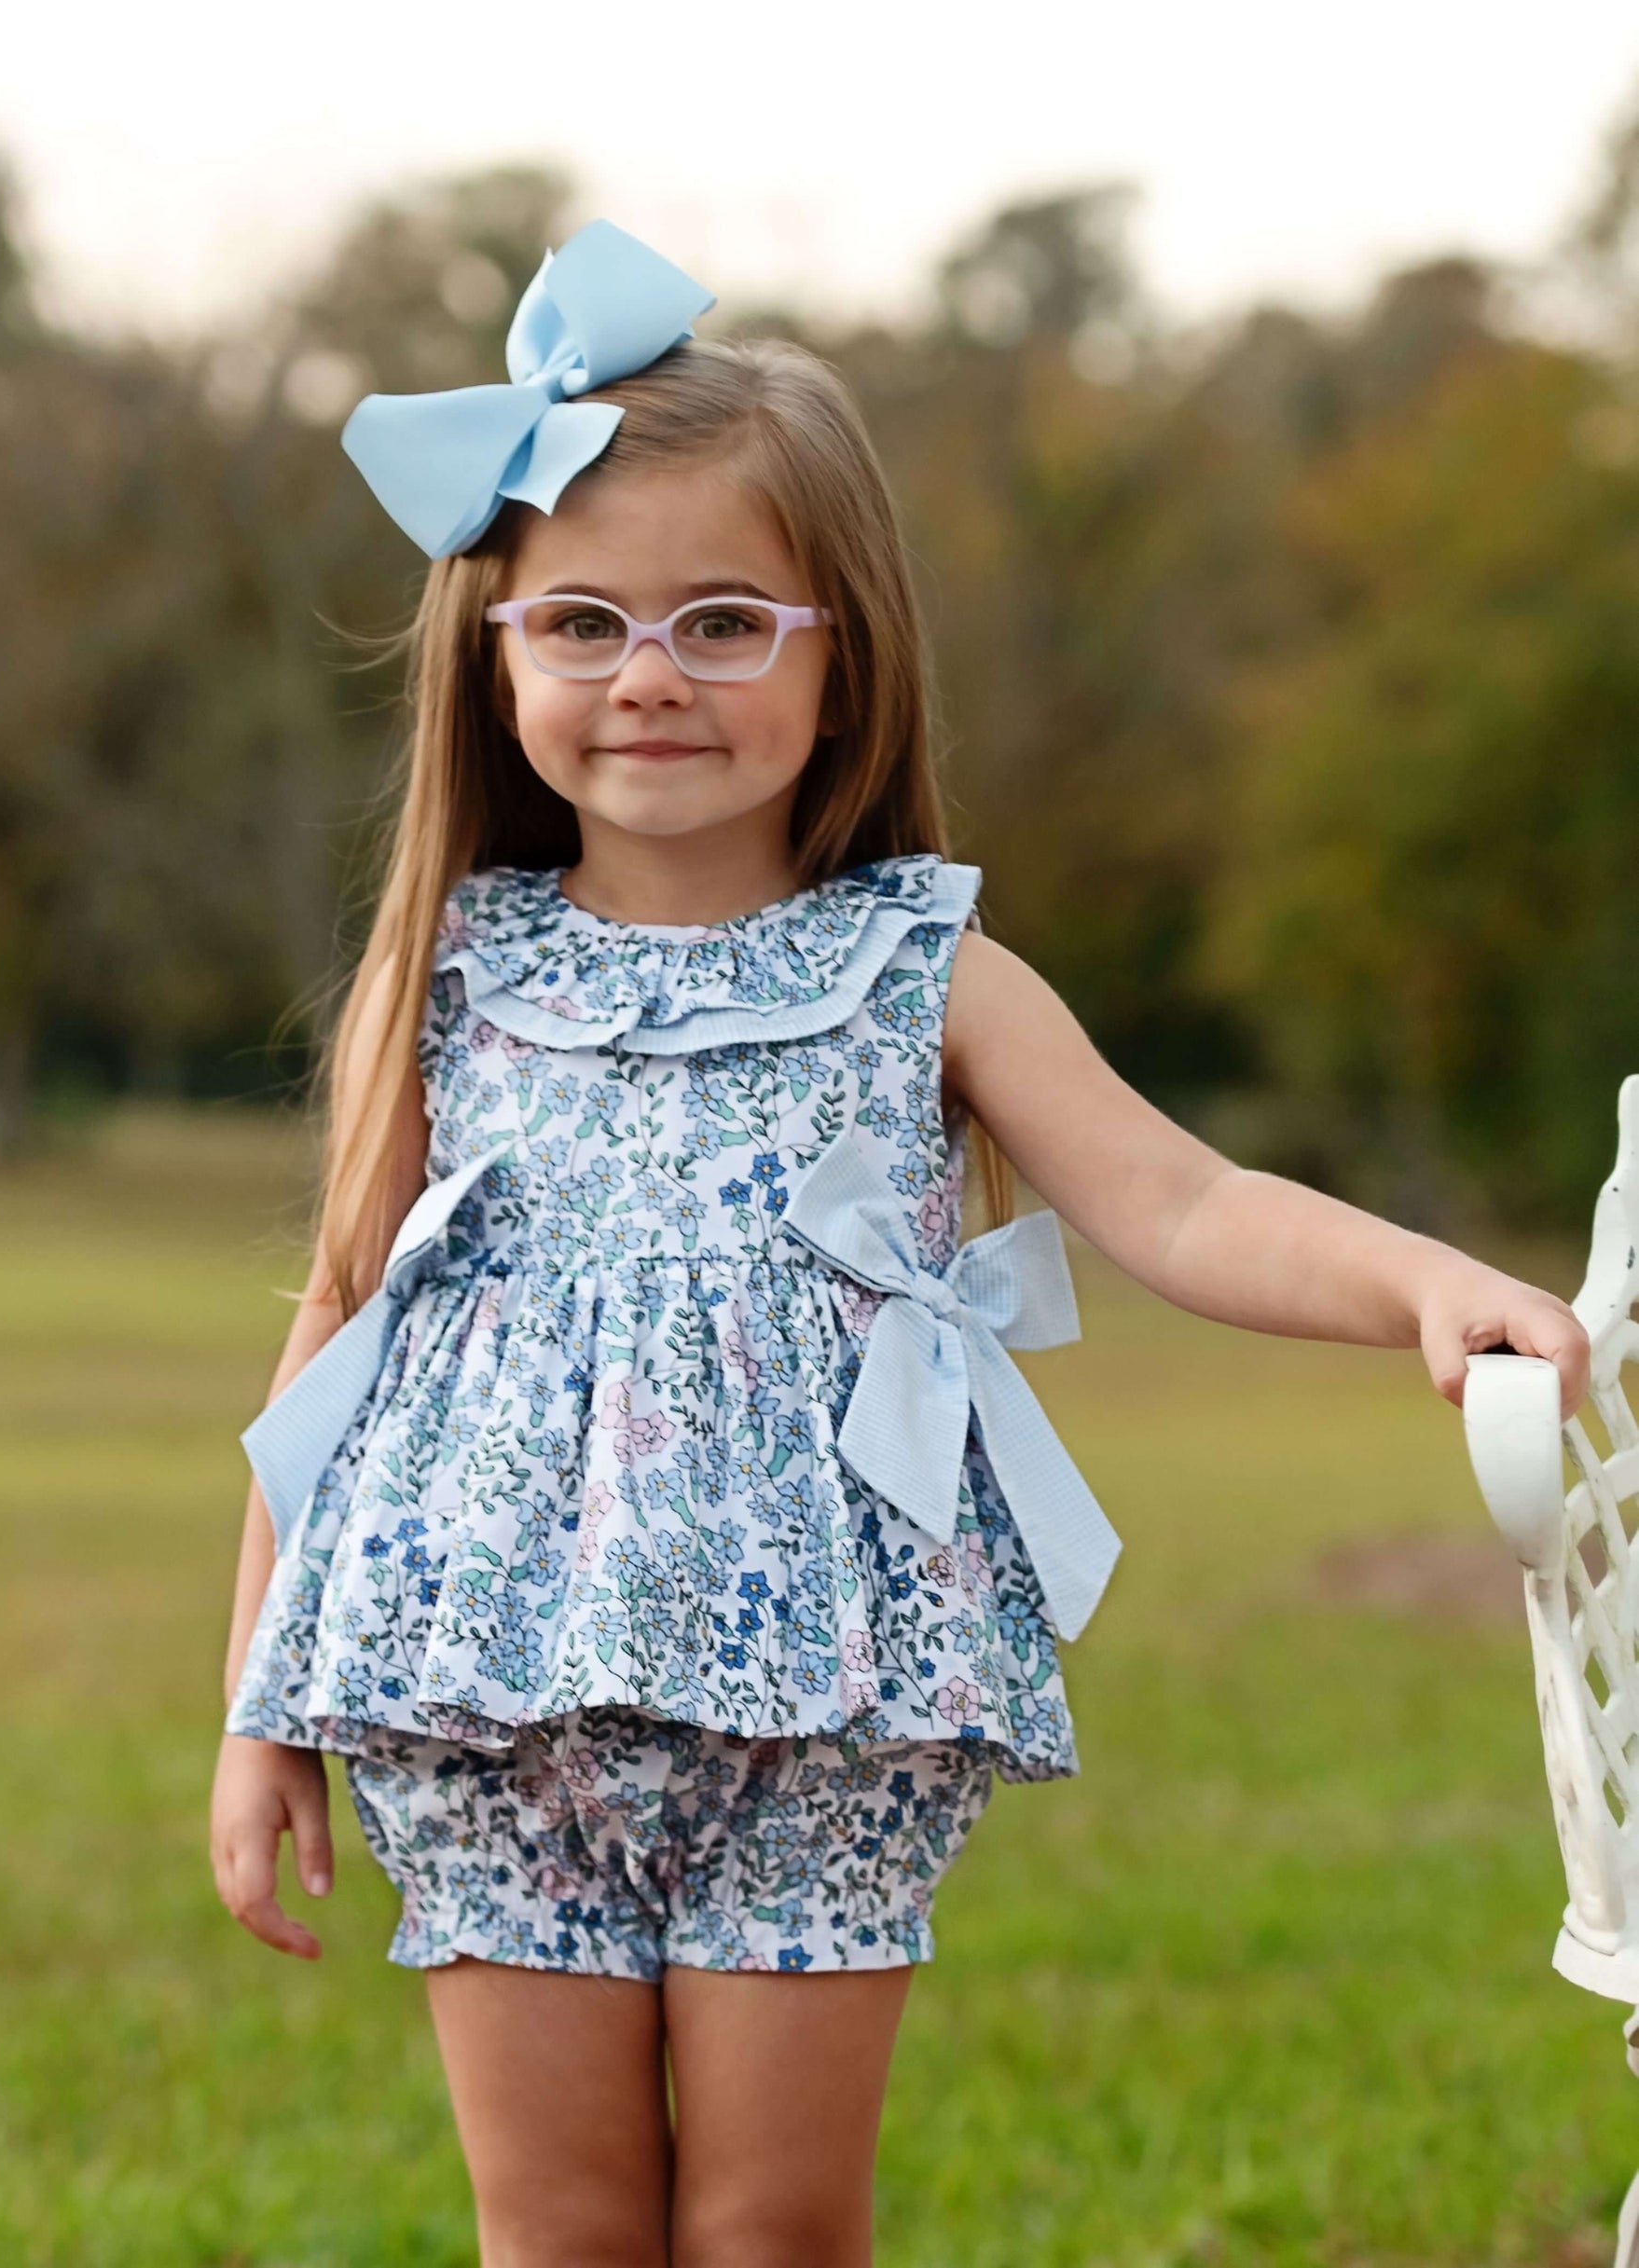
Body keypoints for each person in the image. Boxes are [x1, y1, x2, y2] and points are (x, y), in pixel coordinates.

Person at [209, 221, 1590, 2267]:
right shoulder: (450, 976)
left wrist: (1420, 1277)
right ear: (491, 655)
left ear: (838, 644)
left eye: (721, 620)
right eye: (578, 621)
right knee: (562, 2226)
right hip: (481, 1696)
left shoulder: (917, 968)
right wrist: (257, 1701)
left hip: (825, 1697)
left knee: (775, 2222)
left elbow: (1180, 1199)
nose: (647, 671)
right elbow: (333, 1337)